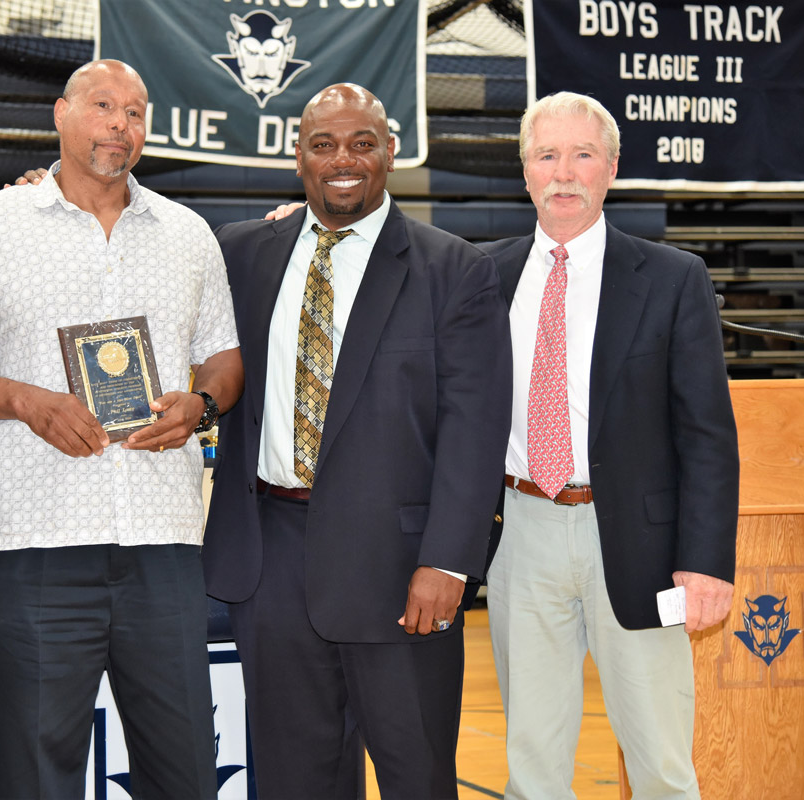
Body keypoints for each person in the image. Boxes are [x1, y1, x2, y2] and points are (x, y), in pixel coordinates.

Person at [0, 59, 243, 800]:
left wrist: (200, 405)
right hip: (38, 547)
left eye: (135, 113)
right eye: (103, 106)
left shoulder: (189, 234)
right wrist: (26, 401)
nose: (120, 125)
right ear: (62, 115)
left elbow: (224, 358)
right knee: (40, 775)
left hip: (163, 545)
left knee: (188, 770)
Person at [202, 84, 511, 799]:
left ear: (389, 154)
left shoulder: (454, 269)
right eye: (323, 144)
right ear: (299, 158)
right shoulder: (243, 252)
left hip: (401, 569)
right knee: (293, 780)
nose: (343, 159)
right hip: (269, 562)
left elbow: (476, 427)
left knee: (415, 776)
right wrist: (47, 194)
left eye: (361, 143)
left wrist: (449, 560)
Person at [481, 91, 739, 799]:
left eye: (583, 155)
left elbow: (708, 436)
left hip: (639, 542)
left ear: (612, 168)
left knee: (659, 762)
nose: (564, 173)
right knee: (532, 764)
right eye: (547, 156)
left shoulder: (672, 278)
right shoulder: (483, 276)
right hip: (522, 529)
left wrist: (706, 562)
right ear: (525, 172)